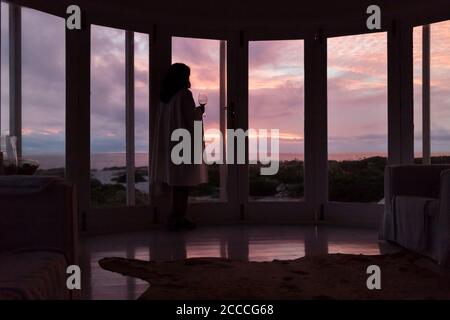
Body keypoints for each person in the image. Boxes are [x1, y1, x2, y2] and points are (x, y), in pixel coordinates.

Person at [150, 63, 208, 231]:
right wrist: (200, 110)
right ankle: (178, 218)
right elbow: (191, 119)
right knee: (183, 184)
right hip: (183, 144)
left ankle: (174, 217)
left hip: (170, 144)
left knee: (176, 183)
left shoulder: (165, 98)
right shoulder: (184, 94)